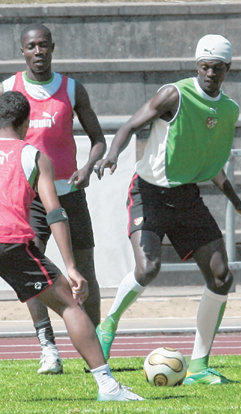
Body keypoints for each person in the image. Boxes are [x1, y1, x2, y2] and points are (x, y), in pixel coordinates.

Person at [94, 34, 241, 385]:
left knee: (222, 276)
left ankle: (199, 367)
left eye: (217, 68)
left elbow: (211, 163)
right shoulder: (175, 94)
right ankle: (108, 324)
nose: (210, 73)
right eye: (204, 67)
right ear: (196, 65)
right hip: (149, 193)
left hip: (186, 197)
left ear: (227, 70)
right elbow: (129, 125)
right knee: (149, 267)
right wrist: (112, 154)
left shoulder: (228, 110)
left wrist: (238, 202)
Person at [0, 90, 143, 401]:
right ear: (26, 123)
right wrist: (72, 267)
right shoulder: (34, 156)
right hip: (10, 242)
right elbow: (54, 211)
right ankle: (108, 386)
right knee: (68, 305)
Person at [0, 23, 105, 374]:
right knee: (32, 270)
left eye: (44, 45)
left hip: (69, 194)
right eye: (32, 46)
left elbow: (98, 139)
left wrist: (89, 167)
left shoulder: (72, 89)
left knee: (84, 268)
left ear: (53, 47)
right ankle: (48, 347)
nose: (38, 52)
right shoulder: (8, 89)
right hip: (28, 199)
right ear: (23, 51)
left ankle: (96, 347)